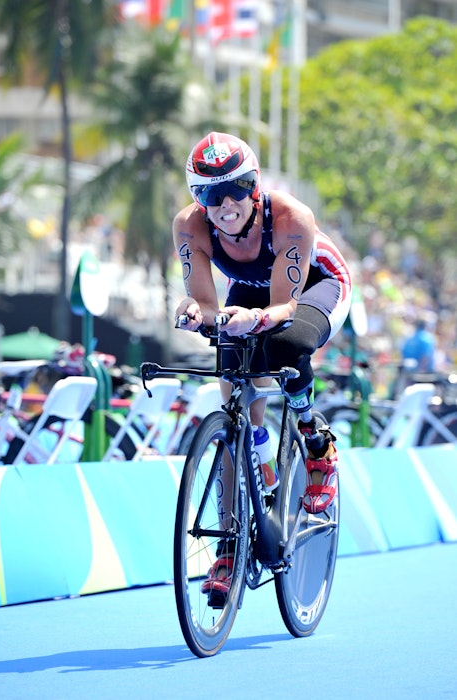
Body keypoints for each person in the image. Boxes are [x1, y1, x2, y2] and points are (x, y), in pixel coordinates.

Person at [173, 132, 352, 603]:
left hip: (314, 286)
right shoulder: (190, 226)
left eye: (236, 188)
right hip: (252, 293)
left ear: (254, 186)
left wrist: (253, 320)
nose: (225, 204)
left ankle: (316, 443)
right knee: (233, 391)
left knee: (285, 346)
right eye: (210, 194)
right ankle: (231, 541)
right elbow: (207, 304)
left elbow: (284, 308)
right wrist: (194, 311)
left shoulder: (292, 217)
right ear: (197, 198)